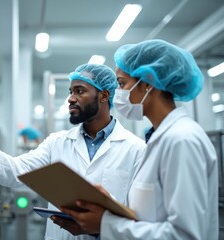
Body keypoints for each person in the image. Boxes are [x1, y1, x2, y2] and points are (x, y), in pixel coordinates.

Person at [0, 63, 146, 240]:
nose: (71, 99)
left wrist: (98, 228)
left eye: (80, 91)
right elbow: (19, 170)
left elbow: (139, 217)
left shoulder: (136, 149)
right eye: (70, 91)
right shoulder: (57, 142)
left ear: (103, 95)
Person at [57, 39, 218, 239]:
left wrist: (106, 223)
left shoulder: (182, 140)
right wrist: (110, 208)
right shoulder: (160, 139)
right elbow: (152, 215)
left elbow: (184, 235)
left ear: (148, 83)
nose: (119, 94)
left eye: (123, 84)